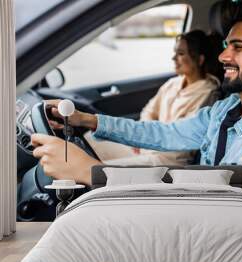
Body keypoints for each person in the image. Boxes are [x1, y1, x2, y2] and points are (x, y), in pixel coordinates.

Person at [31, 0, 242, 190]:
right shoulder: (224, 110)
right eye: (226, 45)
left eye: (238, 48)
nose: (222, 55)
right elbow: (163, 134)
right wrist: (89, 121)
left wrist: (96, 173)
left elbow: (224, 187)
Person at [78, 30, 222, 166]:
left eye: (180, 53)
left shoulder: (208, 94)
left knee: (97, 168)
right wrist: (138, 139)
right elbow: (149, 110)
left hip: (166, 160)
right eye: (175, 52)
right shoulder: (174, 83)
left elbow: (181, 142)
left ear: (200, 59)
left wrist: (142, 141)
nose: (173, 58)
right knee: (90, 140)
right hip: (147, 144)